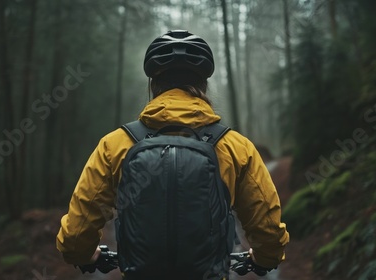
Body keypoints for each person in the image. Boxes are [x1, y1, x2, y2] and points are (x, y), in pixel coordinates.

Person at [56, 30, 289, 279]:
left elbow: (76, 237)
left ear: (153, 85)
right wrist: (264, 257)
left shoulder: (114, 145)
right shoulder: (235, 146)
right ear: (203, 85)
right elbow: (268, 231)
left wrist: (84, 254)